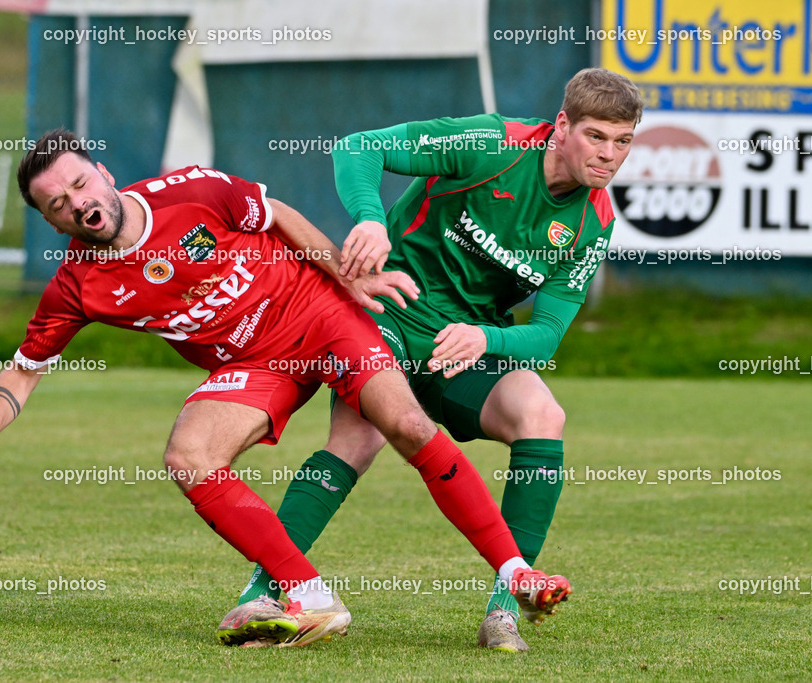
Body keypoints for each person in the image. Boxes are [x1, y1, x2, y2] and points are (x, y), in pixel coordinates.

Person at [0, 129, 572, 647]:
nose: (76, 201)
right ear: (50, 222)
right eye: (57, 203)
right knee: (188, 457)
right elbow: (24, 367)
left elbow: (278, 216)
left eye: (79, 182)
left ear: (103, 174)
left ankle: (513, 572)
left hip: (319, 314)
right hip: (257, 363)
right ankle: (307, 595)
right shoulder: (76, 286)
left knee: (406, 426)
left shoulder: (191, 191)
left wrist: (346, 277)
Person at [235, 67, 642, 651]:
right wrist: (371, 219)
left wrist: (486, 339)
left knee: (543, 415)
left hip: (462, 345)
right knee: (358, 439)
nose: (608, 155)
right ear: (561, 127)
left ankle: (506, 607)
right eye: (596, 136)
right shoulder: (492, 145)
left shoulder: (592, 220)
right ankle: (264, 591)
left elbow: (549, 332)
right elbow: (359, 148)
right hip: (389, 312)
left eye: (622, 141)